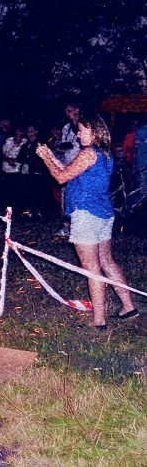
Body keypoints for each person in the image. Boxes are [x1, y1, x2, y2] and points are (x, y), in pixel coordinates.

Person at [36, 112, 138, 330]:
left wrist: (45, 158)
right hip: (103, 213)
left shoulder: (88, 153)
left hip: (86, 214)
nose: (78, 134)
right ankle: (129, 307)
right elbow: (68, 172)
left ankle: (99, 321)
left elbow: (61, 177)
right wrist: (51, 155)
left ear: (94, 131)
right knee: (107, 262)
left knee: (91, 268)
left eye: (82, 130)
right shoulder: (104, 153)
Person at [54, 103, 81, 236]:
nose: (68, 113)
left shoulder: (84, 126)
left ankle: (77, 228)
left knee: (77, 196)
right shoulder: (66, 127)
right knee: (65, 196)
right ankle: (66, 226)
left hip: (80, 166)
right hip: (67, 164)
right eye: (66, 111)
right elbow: (63, 145)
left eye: (70, 110)